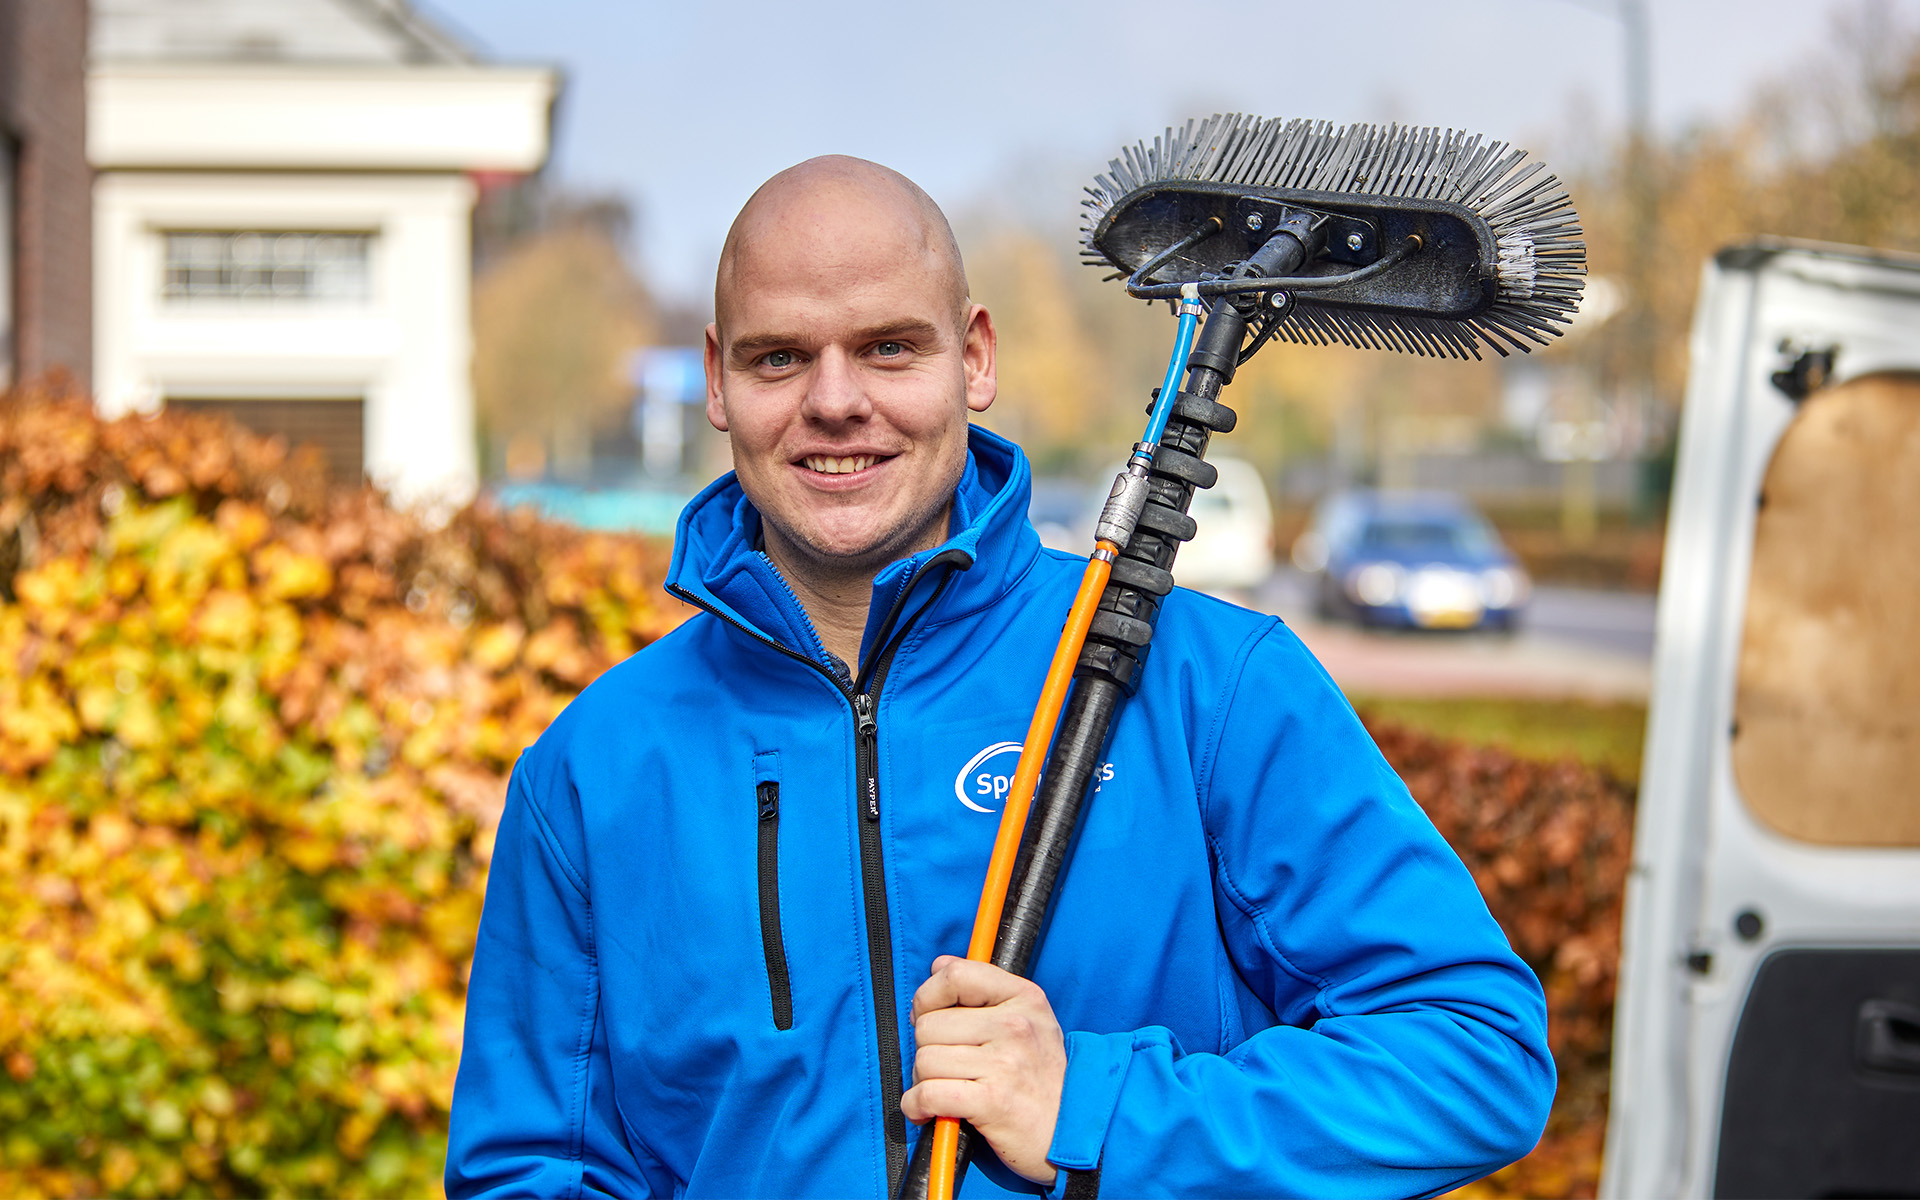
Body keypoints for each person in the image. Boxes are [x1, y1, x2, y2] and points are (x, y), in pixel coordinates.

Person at [446, 156, 1554, 1199]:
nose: (835, 401)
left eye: (889, 348)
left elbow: (1470, 1054)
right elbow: (531, 1167)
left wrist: (1101, 1110)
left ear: (973, 358)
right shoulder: (596, 773)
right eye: (780, 356)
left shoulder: (1210, 688)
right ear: (717, 383)